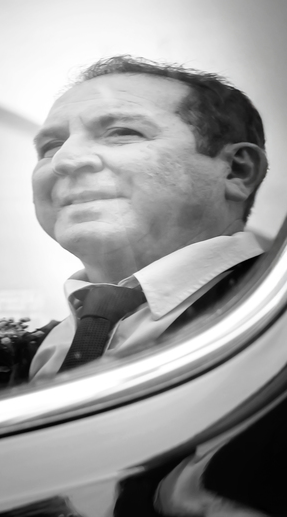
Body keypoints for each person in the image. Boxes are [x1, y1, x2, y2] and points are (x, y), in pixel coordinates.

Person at [28, 56, 268, 380]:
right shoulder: (37, 351)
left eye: (121, 132)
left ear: (237, 171)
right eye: (51, 145)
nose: (64, 160)